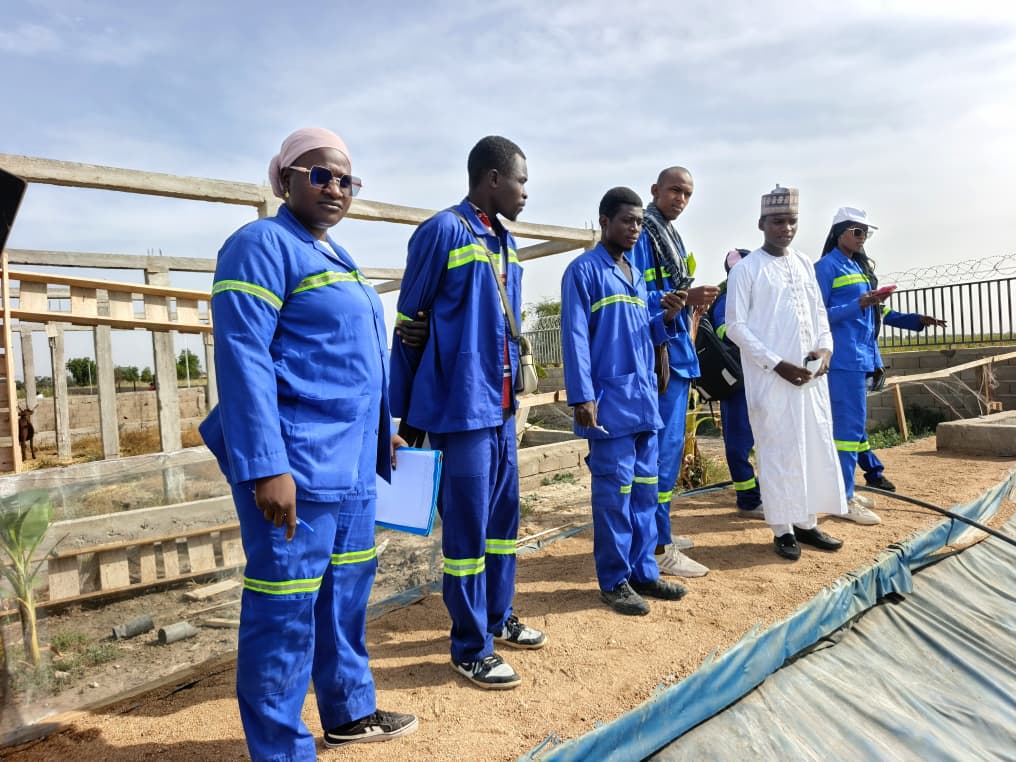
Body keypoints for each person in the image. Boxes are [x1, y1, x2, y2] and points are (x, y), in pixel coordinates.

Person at [198, 127, 419, 759]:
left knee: (346, 591)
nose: (335, 188)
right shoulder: (260, 245)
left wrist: (383, 432)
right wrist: (267, 467)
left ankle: (350, 712)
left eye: (347, 180)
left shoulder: (337, 256)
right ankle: (279, 749)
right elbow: (243, 358)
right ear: (285, 179)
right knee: (285, 606)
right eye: (320, 174)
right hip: (297, 462)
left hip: (351, 462)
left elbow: (350, 361)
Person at [389, 136, 547, 690]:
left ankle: (499, 617)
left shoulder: (506, 243)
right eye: (521, 181)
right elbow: (409, 322)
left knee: (503, 525)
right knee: (467, 532)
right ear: (492, 178)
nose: (525, 192)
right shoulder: (444, 231)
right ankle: (470, 647)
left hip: (502, 410)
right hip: (460, 410)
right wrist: (404, 417)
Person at [561, 187, 689, 616]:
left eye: (638, 222)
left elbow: (641, 332)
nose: (635, 228)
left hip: (643, 401)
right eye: (627, 221)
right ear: (604, 221)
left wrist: (666, 318)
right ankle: (614, 580)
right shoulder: (583, 271)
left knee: (645, 493)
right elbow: (575, 337)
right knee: (615, 496)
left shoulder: (635, 273)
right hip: (610, 404)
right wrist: (582, 397)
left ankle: (643, 572)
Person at [725, 185, 846, 561]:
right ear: (761, 223)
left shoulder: (805, 263)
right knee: (778, 451)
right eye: (778, 221)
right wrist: (776, 363)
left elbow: (819, 312)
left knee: (811, 446)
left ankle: (807, 522)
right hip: (772, 379)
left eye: (792, 221)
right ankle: (782, 529)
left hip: (809, 378)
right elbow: (735, 327)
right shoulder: (746, 270)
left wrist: (825, 348)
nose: (786, 228)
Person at [815, 207, 946, 521]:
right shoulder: (826, 267)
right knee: (847, 431)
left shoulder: (858, 267)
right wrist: (858, 303)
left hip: (862, 358)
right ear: (839, 232)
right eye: (857, 231)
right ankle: (843, 499)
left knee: (852, 429)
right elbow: (817, 316)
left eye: (866, 232)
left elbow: (878, 313)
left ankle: (842, 490)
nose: (863, 238)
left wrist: (915, 320)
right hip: (842, 359)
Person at [629, 167, 717, 578]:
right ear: (655, 190)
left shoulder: (669, 235)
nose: (681, 199)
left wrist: (691, 303)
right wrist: (683, 296)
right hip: (659, 359)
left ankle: (659, 533)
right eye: (675, 191)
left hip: (678, 355)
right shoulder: (643, 234)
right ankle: (658, 547)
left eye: (687, 194)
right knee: (660, 459)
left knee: (667, 455)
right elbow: (634, 296)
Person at [710, 248, 762, 516]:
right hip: (738, 381)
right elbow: (724, 330)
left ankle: (766, 491)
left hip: (762, 376)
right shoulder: (727, 297)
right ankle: (748, 499)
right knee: (739, 442)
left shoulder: (760, 297)